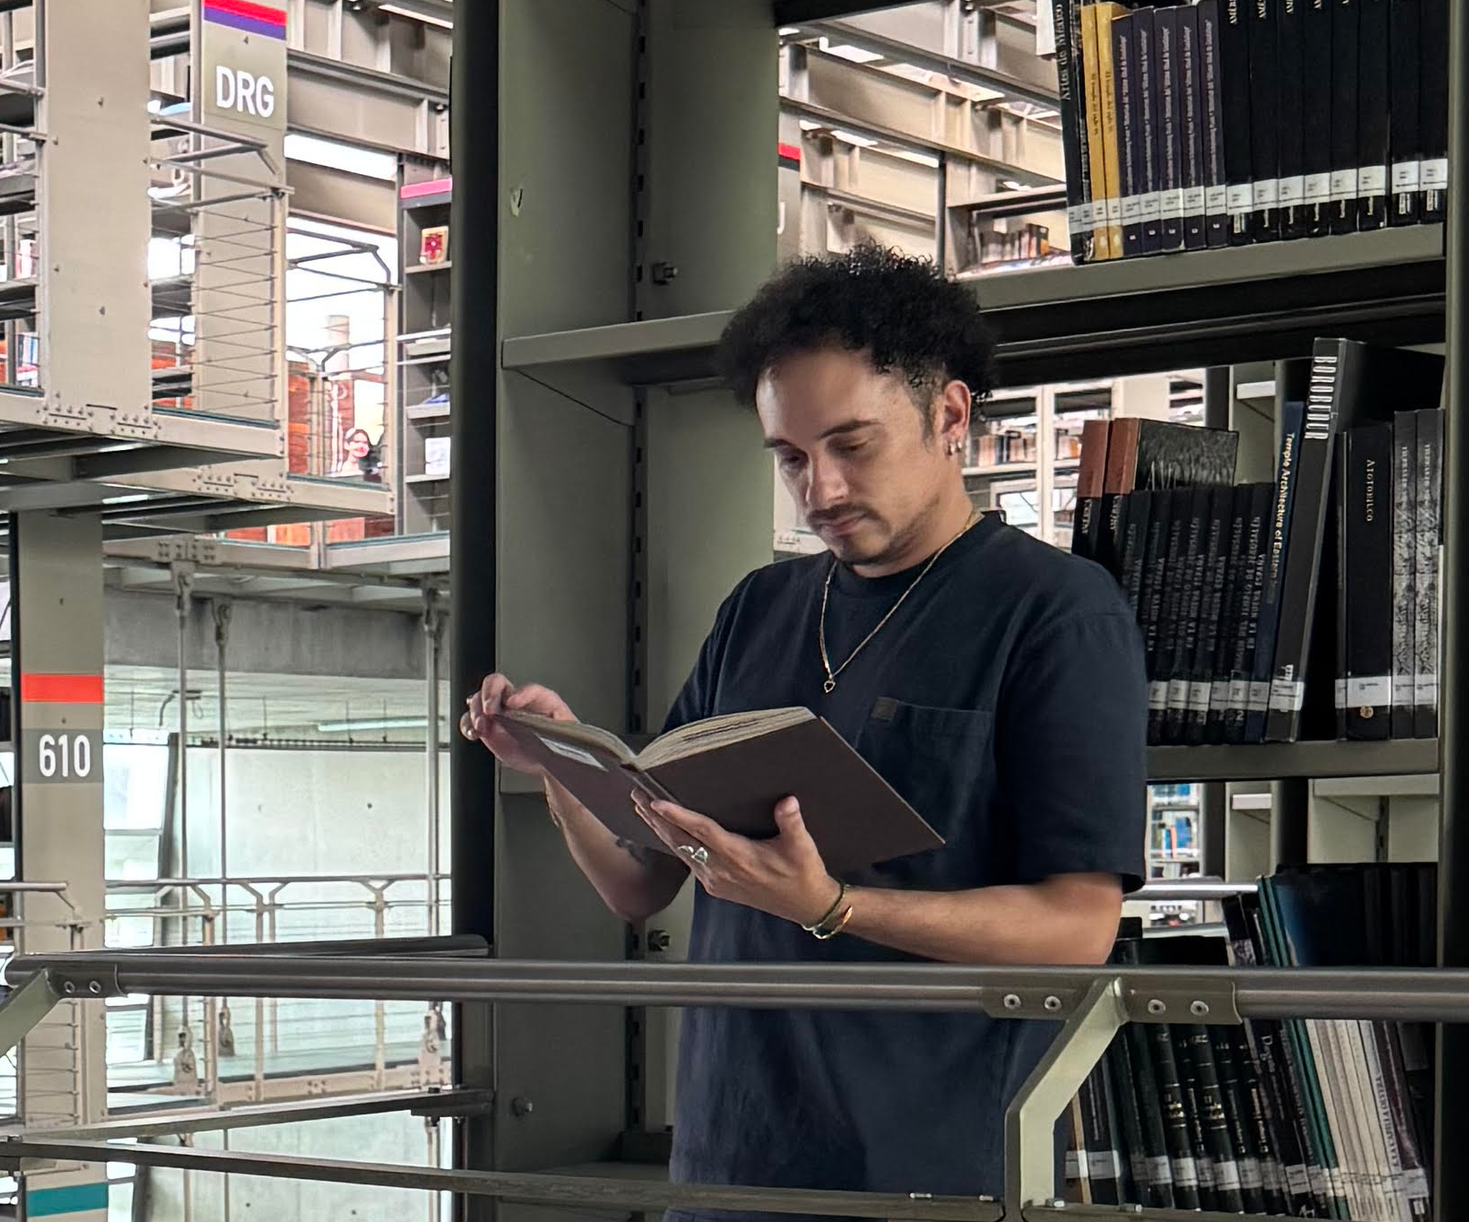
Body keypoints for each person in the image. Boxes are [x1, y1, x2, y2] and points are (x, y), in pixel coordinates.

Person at [459, 244, 1148, 1222]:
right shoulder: (760, 608)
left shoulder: (1055, 613)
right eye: (789, 456)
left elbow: (1079, 928)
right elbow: (642, 883)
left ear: (949, 416)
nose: (817, 490)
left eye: (851, 445)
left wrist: (832, 906)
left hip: (925, 1169)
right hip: (729, 1155)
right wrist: (566, 767)